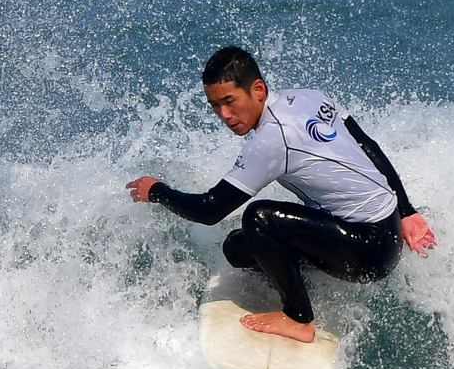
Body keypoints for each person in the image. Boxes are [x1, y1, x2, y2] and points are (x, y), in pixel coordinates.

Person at [127, 46, 436, 342]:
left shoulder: (271, 139)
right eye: (215, 106)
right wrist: (406, 211)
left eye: (230, 101)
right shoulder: (311, 97)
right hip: (387, 225)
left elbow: (210, 210)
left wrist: (156, 191)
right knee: (237, 248)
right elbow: (369, 146)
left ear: (258, 89)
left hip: (369, 251)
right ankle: (302, 283)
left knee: (259, 218)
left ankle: (298, 317)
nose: (224, 114)